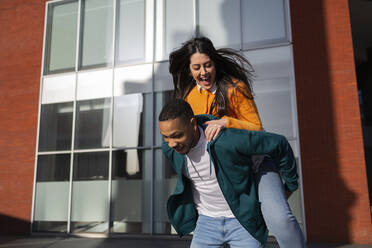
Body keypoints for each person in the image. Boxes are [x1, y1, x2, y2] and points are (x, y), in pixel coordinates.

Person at [168, 37, 306, 247]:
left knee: (281, 219)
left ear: (215, 63)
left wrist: (226, 122)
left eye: (207, 65)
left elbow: (256, 128)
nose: (203, 72)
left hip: (257, 165)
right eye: (197, 67)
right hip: (227, 169)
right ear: (189, 70)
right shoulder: (188, 98)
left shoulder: (234, 87)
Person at [158, 99, 299, 248]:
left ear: (193, 125)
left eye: (177, 135)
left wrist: (290, 185)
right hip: (206, 223)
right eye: (166, 137)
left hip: (242, 222)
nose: (172, 143)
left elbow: (279, 143)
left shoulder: (227, 140)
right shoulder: (170, 149)